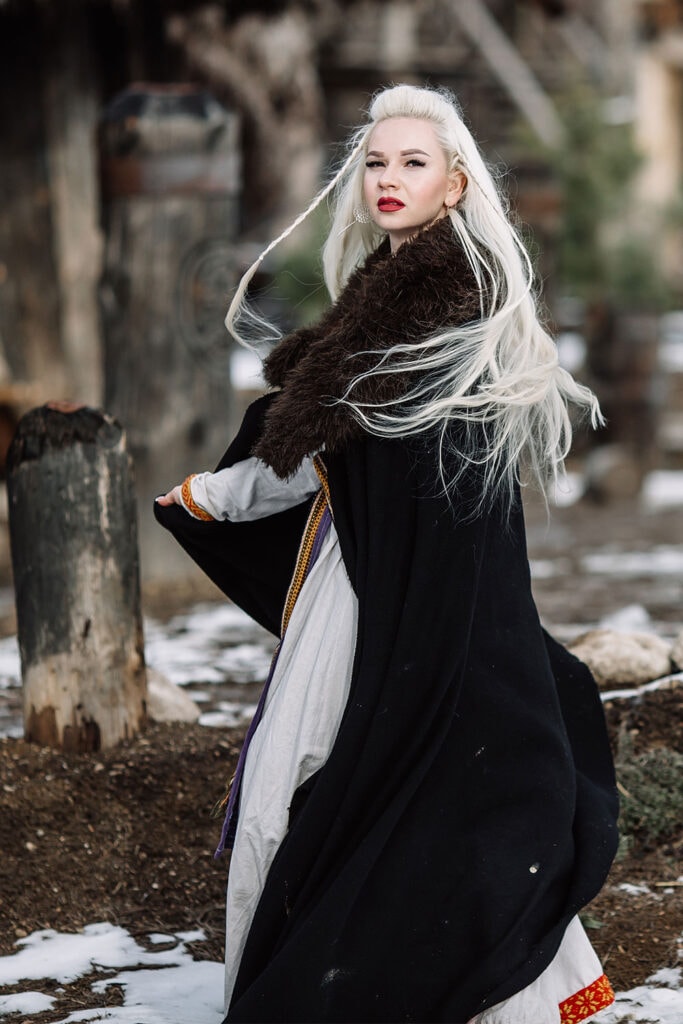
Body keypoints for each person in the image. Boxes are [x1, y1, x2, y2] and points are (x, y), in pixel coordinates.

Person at [155, 84, 619, 1024]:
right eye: (375, 162)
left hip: (409, 589)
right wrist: (222, 491)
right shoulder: (377, 299)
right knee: (328, 779)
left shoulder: (456, 303)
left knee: (391, 775)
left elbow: (377, 442)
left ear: (453, 186)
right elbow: (334, 439)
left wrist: (239, 485)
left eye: (413, 163)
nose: (388, 178)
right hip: (364, 571)